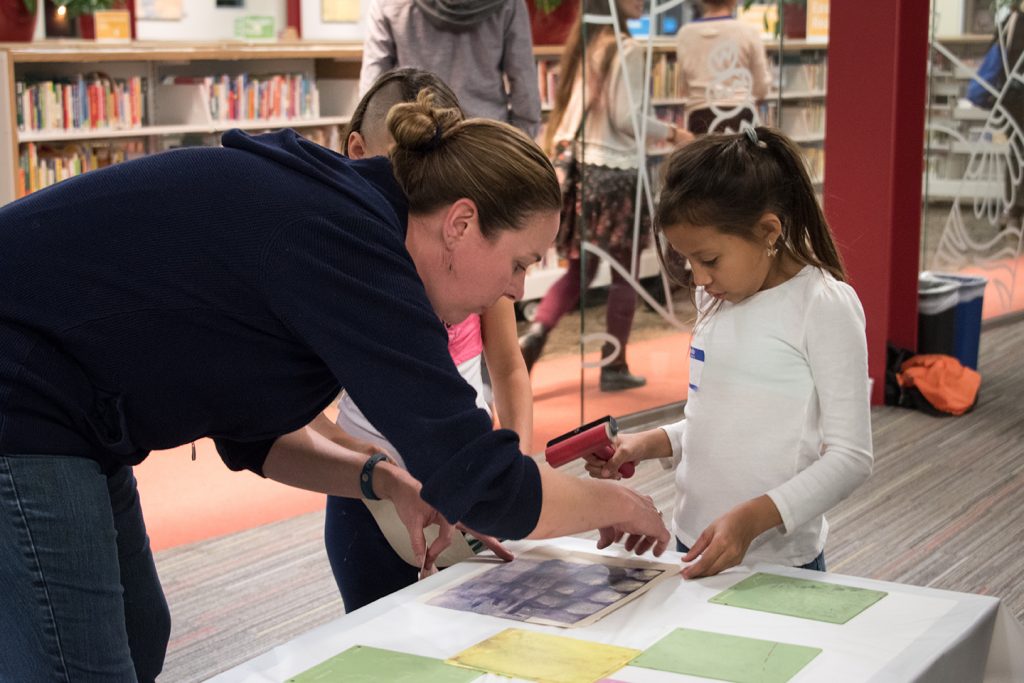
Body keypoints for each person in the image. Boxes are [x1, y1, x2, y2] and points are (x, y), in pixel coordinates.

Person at [0, 91, 670, 681]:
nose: (516, 289)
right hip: (26, 393)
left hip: (76, 412)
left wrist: (386, 482)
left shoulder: (350, 224)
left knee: (138, 635)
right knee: (78, 665)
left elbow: (259, 439)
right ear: (461, 224)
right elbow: (486, 482)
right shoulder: (353, 242)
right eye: (519, 262)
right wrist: (615, 502)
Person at [584, 126, 873, 579]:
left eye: (710, 260)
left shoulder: (823, 305)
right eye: (687, 262)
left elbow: (851, 458)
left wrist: (752, 519)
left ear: (769, 232)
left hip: (776, 562)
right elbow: (714, 419)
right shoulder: (716, 297)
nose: (698, 279)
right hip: (693, 541)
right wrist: (647, 444)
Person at [322, 68, 536, 611]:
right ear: (357, 149)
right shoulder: (341, 262)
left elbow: (508, 367)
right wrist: (368, 465)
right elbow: (285, 408)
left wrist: (518, 460)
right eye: (405, 167)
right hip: (366, 494)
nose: (419, 190)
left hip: (462, 477)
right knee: (376, 636)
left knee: (484, 631)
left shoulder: (476, 260)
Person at [518, 0, 692, 392]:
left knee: (579, 270)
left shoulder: (586, 46)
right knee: (624, 274)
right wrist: (671, 133)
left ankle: (535, 334)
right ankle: (614, 366)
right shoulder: (627, 50)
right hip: (618, 176)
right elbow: (627, 118)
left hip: (586, 173)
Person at [359, 0, 541, 137]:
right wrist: (522, 137)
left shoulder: (389, 3)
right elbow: (524, 83)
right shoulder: (509, 3)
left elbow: (372, 85)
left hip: (415, 138)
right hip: (486, 139)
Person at [674, 0, 772, 135]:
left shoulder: (685, 34)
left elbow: (684, 87)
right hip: (741, 116)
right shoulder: (748, 32)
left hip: (700, 118)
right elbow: (761, 87)